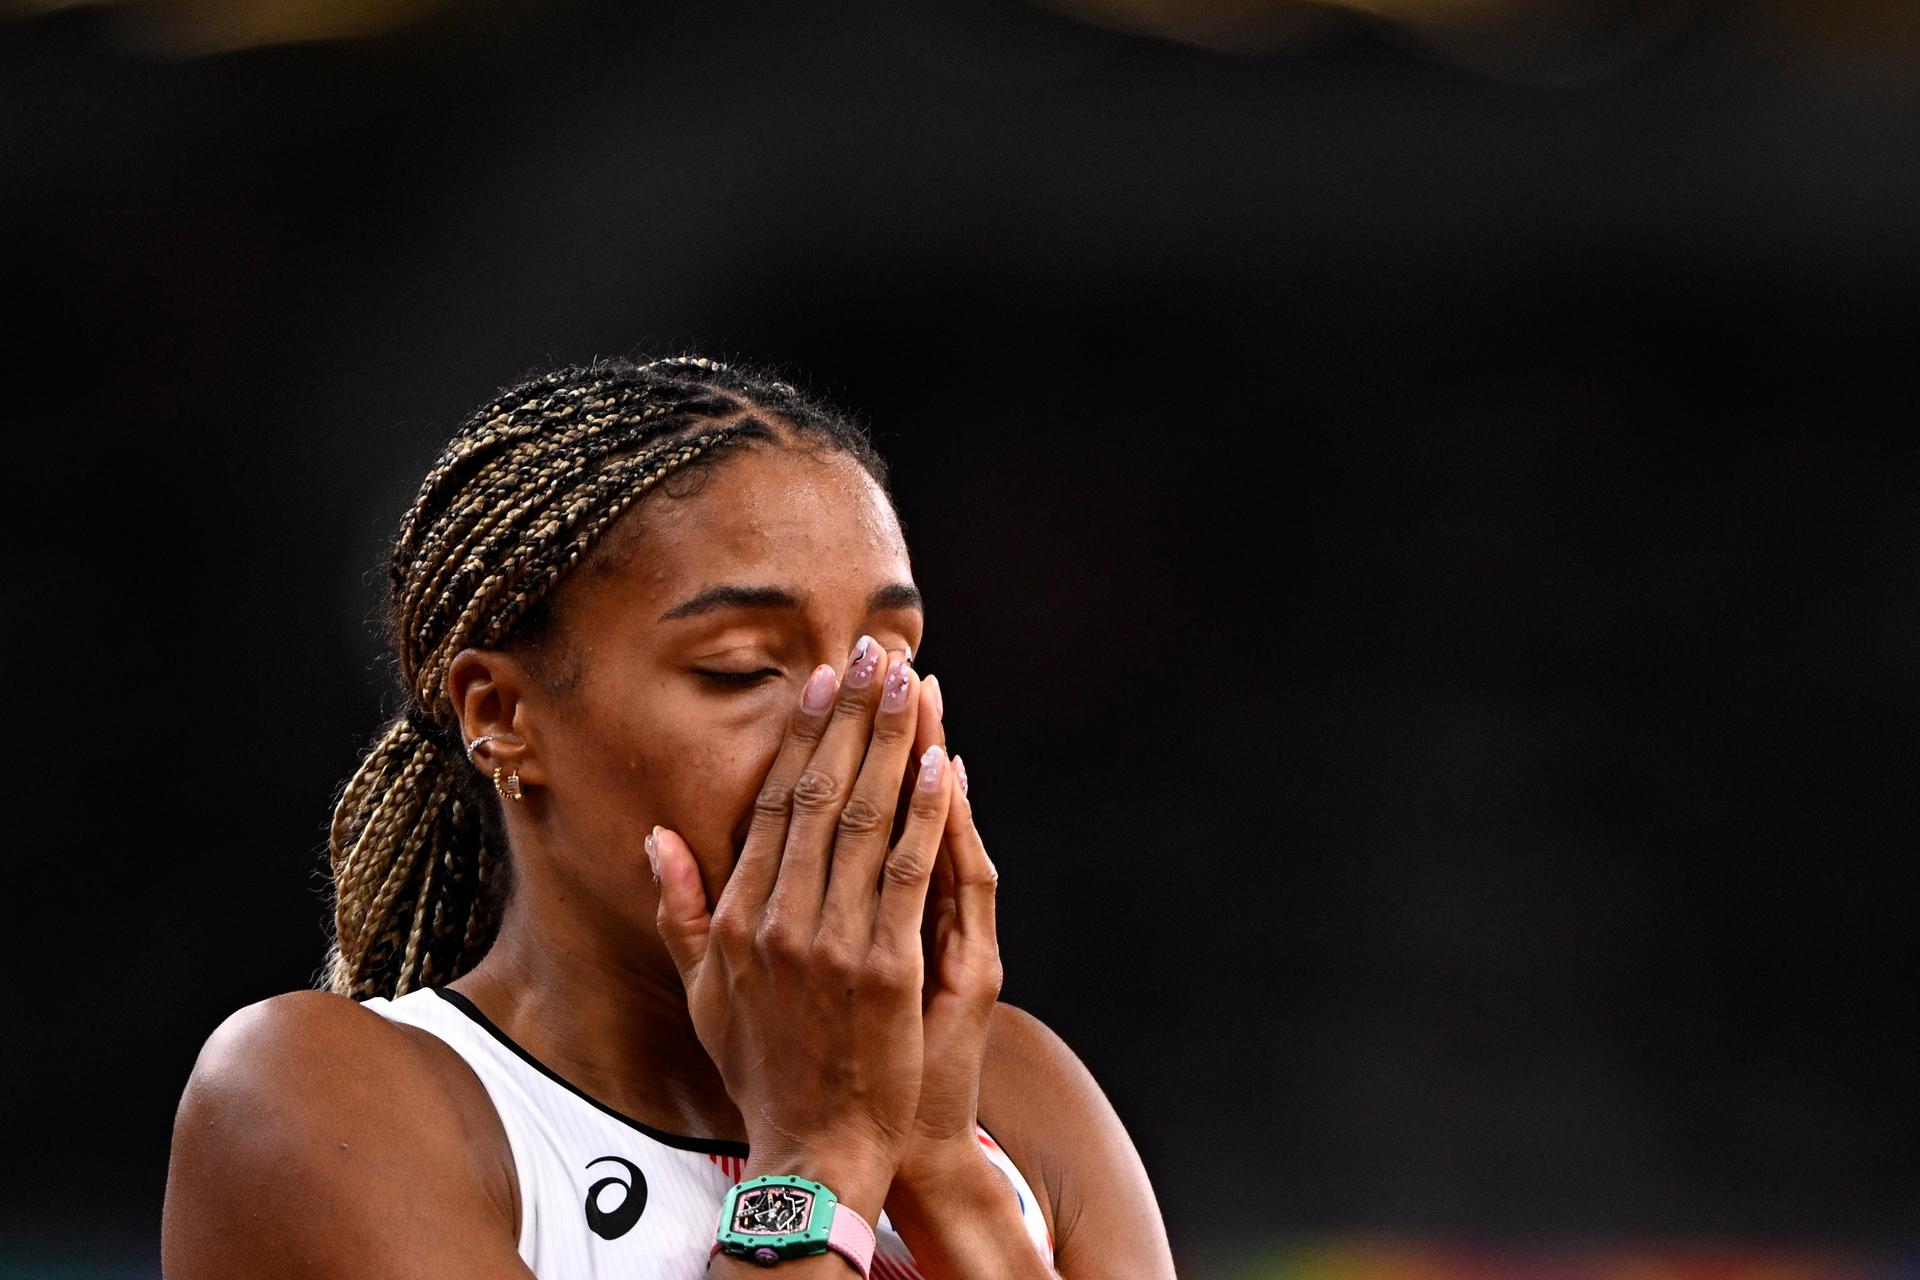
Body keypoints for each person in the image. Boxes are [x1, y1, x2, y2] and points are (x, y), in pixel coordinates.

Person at [162, 356, 1177, 1279]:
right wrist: (817, 1150)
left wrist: (942, 1168)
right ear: (503, 715)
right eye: (740, 667)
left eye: (889, 660)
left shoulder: (1023, 1093)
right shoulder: (322, 1099)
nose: (850, 732)